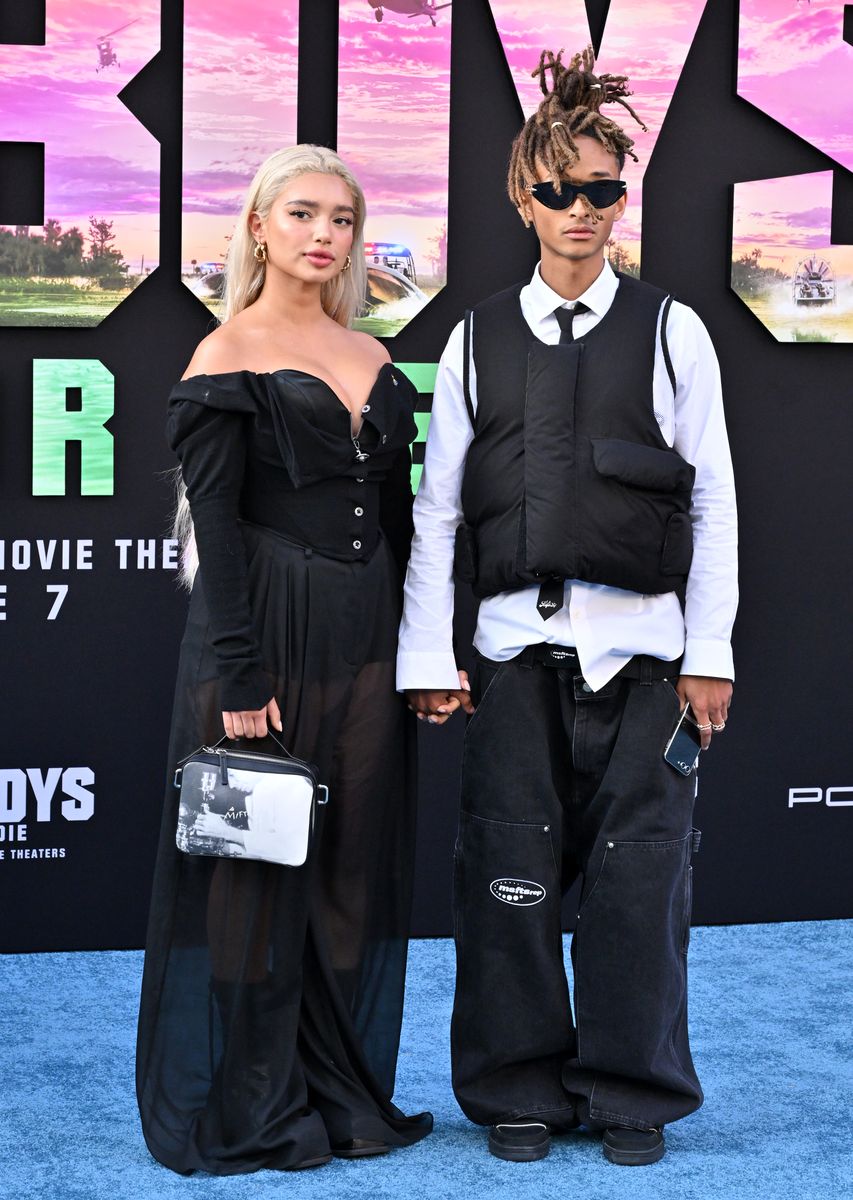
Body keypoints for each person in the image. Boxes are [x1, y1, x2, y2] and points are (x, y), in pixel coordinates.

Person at [399, 47, 737, 1167]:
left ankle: (631, 1094)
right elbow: (439, 513)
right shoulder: (474, 337)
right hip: (511, 656)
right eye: (557, 190)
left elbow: (717, 508)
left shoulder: (672, 330)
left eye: (600, 190)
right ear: (520, 197)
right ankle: (515, 1088)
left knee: (642, 885)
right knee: (507, 879)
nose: (579, 210)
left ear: (620, 198)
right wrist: (429, 660)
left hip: (644, 660)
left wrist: (710, 654)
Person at [136, 144, 432, 1174]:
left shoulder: (372, 357)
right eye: (302, 213)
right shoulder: (223, 355)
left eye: (341, 219)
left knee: (351, 865)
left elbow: (403, 522)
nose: (323, 235)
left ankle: (335, 1084)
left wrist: (419, 653)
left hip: (364, 640)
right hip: (265, 641)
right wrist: (242, 677)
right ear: (260, 226)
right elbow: (214, 530)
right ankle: (253, 1095)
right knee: (255, 870)